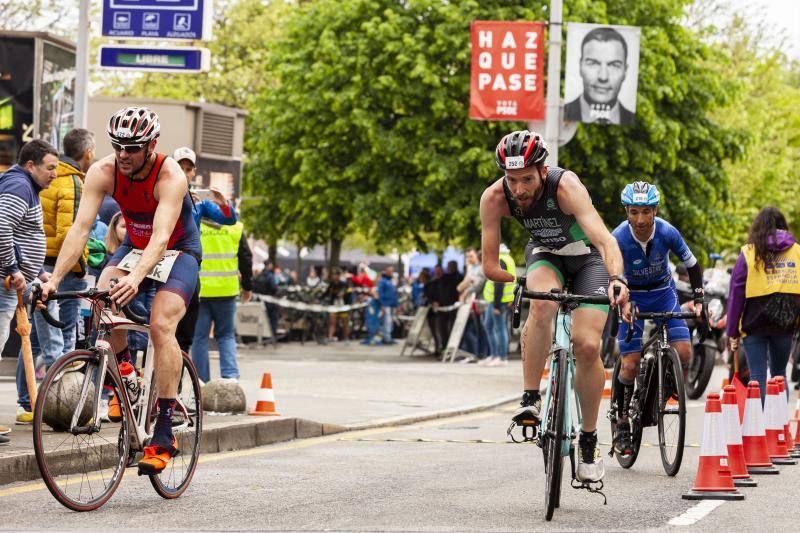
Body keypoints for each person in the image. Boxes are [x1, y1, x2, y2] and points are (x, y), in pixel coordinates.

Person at [40, 107, 201, 475]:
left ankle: (163, 429)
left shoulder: (170, 175)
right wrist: (53, 280)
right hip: (134, 245)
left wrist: (137, 277)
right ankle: (126, 373)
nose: (124, 154)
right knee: (101, 299)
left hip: (178, 249)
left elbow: (161, 238)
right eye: (118, 146)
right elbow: (80, 229)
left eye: (133, 147)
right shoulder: (103, 172)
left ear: (152, 145)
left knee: (161, 325)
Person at [480, 129, 628, 482]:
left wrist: (618, 279)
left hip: (588, 259)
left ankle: (589, 440)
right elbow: (489, 266)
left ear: (543, 171)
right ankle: (530, 399)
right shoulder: (494, 198)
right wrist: (517, 283)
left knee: (588, 346)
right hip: (545, 256)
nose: (519, 189)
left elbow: (606, 241)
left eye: (527, 179)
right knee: (542, 305)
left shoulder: (566, 187)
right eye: (512, 180)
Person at [610, 181, 704, 456]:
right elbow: (610, 272)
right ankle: (622, 421)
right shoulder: (617, 237)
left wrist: (699, 300)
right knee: (630, 363)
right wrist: (622, 301)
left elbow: (693, 264)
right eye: (634, 212)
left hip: (664, 292)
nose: (640, 219)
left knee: (684, 351)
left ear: (655, 211)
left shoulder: (667, 231)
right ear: (627, 210)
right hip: (632, 296)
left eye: (646, 212)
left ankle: (664, 382)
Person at [0, 139, 58, 426]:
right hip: (5, 281)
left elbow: (19, 234)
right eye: (50, 168)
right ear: (31, 165)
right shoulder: (20, 186)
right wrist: (13, 267)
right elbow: (1, 225)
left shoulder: (23, 185)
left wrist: (36, 273)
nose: (54, 174)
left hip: (13, 280)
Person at [727, 206, 800, 403]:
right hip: (784, 323)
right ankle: (780, 427)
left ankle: (760, 429)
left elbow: (736, 293)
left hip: (754, 322)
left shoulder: (748, 253)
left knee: (757, 377)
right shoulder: (796, 251)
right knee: (779, 375)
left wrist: (732, 330)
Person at [172, 146, 238, 354]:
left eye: (188, 168)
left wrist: (223, 202)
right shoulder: (162, 194)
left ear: (194, 172)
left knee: (186, 328)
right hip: (163, 264)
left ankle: (180, 369)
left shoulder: (199, 204)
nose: (184, 172)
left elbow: (229, 219)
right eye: (179, 167)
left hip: (187, 267)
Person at [40, 128, 96, 358]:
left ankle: (27, 395)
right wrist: (81, 266)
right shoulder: (73, 181)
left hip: (40, 264)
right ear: (88, 153)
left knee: (38, 337)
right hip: (65, 268)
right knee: (67, 333)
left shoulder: (49, 177)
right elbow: (69, 233)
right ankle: (64, 391)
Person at [191, 220, 252, 383]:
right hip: (226, 290)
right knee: (226, 335)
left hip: (200, 291)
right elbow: (246, 259)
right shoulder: (235, 227)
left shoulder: (195, 224)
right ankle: (231, 377)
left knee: (200, 337)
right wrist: (247, 287)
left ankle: (200, 381)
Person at [564, 27, 635, 125]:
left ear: (625, 71)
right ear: (580, 66)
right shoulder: (562, 112)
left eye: (614, 65)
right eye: (593, 63)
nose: (603, 77)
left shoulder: (630, 118)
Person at [480, 244, 515, 367]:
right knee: (489, 326)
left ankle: (501, 357)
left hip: (499, 301)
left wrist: (496, 305)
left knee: (500, 328)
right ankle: (494, 355)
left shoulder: (500, 261)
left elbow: (499, 283)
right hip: (498, 300)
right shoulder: (508, 259)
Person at [253, 260, 280, 341]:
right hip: (270, 302)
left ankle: (263, 337)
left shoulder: (259, 275)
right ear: (269, 265)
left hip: (260, 302)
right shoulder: (270, 276)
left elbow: (255, 288)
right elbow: (274, 288)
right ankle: (272, 338)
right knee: (272, 320)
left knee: (262, 320)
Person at [322, 267, 351, 342]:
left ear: (339, 276)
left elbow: (349, 294)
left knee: (344, 322)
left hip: (343, 306)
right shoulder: (331, 284)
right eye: (333, 275)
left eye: (335, 275)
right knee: (332, 322)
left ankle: (346, 338)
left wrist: (344, 295)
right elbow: (326, 294)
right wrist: (319, 299)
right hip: (333, 305)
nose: (334, 276)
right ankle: (330, 337)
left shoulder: (344, 284)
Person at [377, 265, 399, 345]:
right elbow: (380, 293)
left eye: (392, 271)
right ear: (386, 271)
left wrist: (397, 305)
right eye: (389, 271)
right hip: (386, 304)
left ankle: (388, 337)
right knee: (387, 321)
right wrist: (382, 304)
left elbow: (394, 293)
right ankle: (386, 338)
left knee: (390, 322)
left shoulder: (392, 281)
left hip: (392, 304)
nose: (391, 272)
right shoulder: (383, 281)